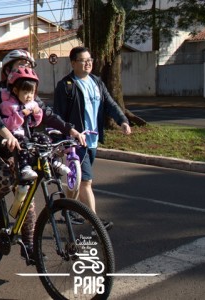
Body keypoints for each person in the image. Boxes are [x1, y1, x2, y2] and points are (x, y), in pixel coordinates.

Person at [0, 49, 86, 257]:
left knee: (27, 197)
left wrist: (71, 130)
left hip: (15, 154)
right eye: (18, 64)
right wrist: (7, 133)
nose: (24, 68)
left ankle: (29, 245)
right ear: (7, 70)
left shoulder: (30, 96)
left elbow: (49, 115)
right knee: (5, 181)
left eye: (28, 65)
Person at [53, 46, 131, 231]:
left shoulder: (96, 82)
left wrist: (122, 120)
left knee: (76, 179)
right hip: (76, 142)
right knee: (86, 181)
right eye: (83, 60)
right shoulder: (66, 86)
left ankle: (66, 209)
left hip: (92, 140)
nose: (88, 63)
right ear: (73, 63)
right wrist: (65, 138)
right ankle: (95, 222)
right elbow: (58, 116)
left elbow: (110, 103)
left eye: (90, 59)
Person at [0, 67, 43, 180]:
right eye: (25, 92)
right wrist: (20, 114)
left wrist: (37, 113)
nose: (29, 96)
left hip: (27, 134)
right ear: (15, 91)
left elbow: (35, 123)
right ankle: (25, 168)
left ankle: (52, 162)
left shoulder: (32, 104)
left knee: (43, 139)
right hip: (14, 137)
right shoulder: (8, 105)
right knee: (23, 143)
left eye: (32, 92)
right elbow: (7, 124)